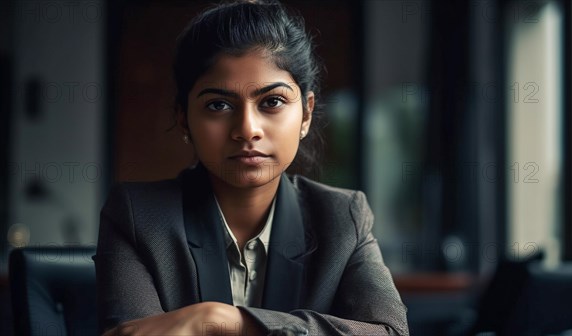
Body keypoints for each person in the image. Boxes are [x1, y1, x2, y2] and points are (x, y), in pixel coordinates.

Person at [94, 0, 409, 335]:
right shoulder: (137, 216)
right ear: (183, 119)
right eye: (218, 105)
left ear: (305, 113)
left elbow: (389, 331)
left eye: (272, 102)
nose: (247, 129)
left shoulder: (342, 216)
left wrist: (219, 319)